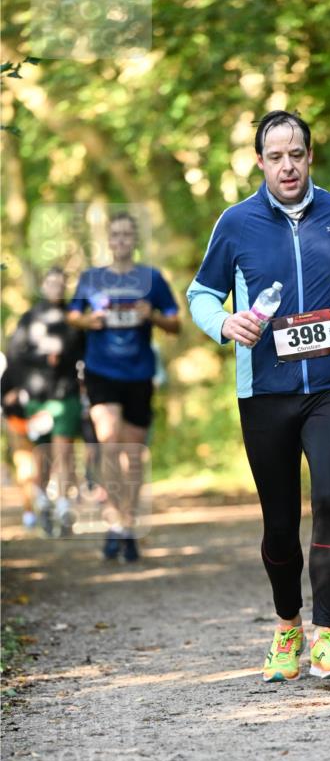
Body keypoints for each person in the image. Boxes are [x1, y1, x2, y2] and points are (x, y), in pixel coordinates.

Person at [188, 110, 330, 683]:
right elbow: (201, 293)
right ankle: (289, 626)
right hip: (266, 393)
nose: (288, 165)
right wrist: (224, 324)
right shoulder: (235, 223)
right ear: (260, 162)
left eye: (297, 154)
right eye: (276, 156)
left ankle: (327, 639)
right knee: (279, 522)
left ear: (311, 157)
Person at [68, 212, 180, 561]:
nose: (120, 241)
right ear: (108, 240)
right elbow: (72, 316)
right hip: (102, 371)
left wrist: (154, 316)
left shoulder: (152, 278)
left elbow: (176, 323)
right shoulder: (91, 279)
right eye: (114, 235)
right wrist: (91, 320)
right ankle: (113, 518)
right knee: (108, 438)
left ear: (134, 240)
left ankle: (127, 523)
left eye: (126, 235)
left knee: (132, 454)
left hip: (139, 373)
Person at [2, 267, 84, 534]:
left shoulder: (74, 317)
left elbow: (86, 353)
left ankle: (62, 505)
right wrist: (8, 391)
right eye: (51, 283)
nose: (56, 288)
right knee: (42, 458)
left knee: (64, 451)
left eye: (61, 283)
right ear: (43, 286)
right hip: (37, 398)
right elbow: (14, 356)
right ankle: (41, 501)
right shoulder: (29, 319)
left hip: (66, 393)